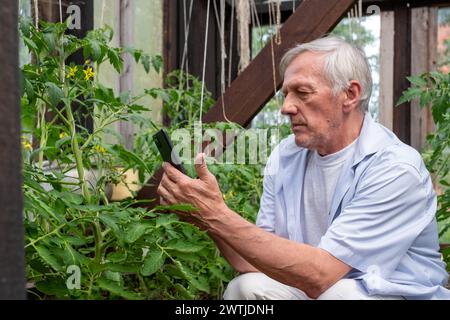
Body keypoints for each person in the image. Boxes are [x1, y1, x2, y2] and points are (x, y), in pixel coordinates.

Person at [157, 36, 450, 300]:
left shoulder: (395, 169)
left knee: (344, 295)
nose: (286, 107)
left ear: (349, 94)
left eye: (302, 92)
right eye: (285, 94)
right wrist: (207, 218)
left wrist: (217, 214)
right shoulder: (286, 156)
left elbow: (321, 275)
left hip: (384, 293)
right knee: (244, 288)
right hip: (320, 287)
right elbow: (254, 261)